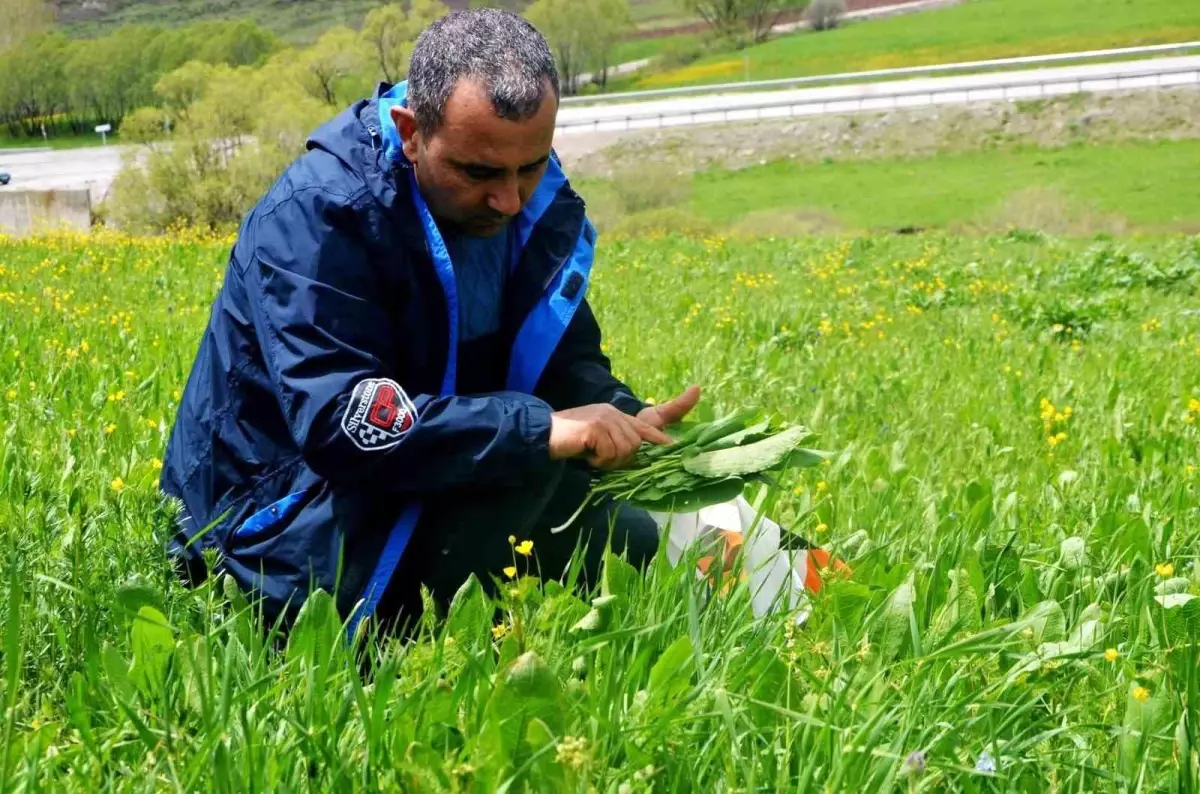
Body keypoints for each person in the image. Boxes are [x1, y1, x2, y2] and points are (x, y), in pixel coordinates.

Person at [159, 8, 701, 636]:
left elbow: (563, 361)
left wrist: (615, 412)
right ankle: (416, 661)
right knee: (527, 476)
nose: (511, 199)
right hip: (272, 518)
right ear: (411, 131)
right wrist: (540, 431)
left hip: (434, 462)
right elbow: (343, 424)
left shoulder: (532, 202)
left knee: (638, 541)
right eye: (480, 173)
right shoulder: (320, 217)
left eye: (531, 164)